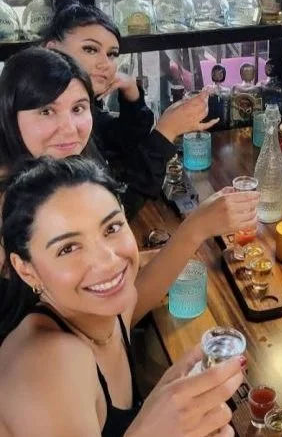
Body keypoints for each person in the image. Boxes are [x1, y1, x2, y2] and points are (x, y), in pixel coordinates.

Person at [0, 157, 253, 437]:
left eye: (111, 228)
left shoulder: (105, 311)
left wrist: (196, 228)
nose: (107, 261)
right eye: (68, 248)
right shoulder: (49, 366)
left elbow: (142, 290)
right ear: (26, 270)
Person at [0, 47, 259, 271]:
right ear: (9, 115)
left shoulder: (71, 167)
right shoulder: (13, 208)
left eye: (78, 108)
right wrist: (194, 229)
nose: (69, 128)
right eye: (46, 111)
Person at [42, 1, 213, 216]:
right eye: (90, 49)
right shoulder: (49, 125)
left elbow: (123, 142)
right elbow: (119, 208)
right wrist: (166, 132)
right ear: (53, 50)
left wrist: (131, 93)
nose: (105, 63)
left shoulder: (79, 108)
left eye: (112, 54)